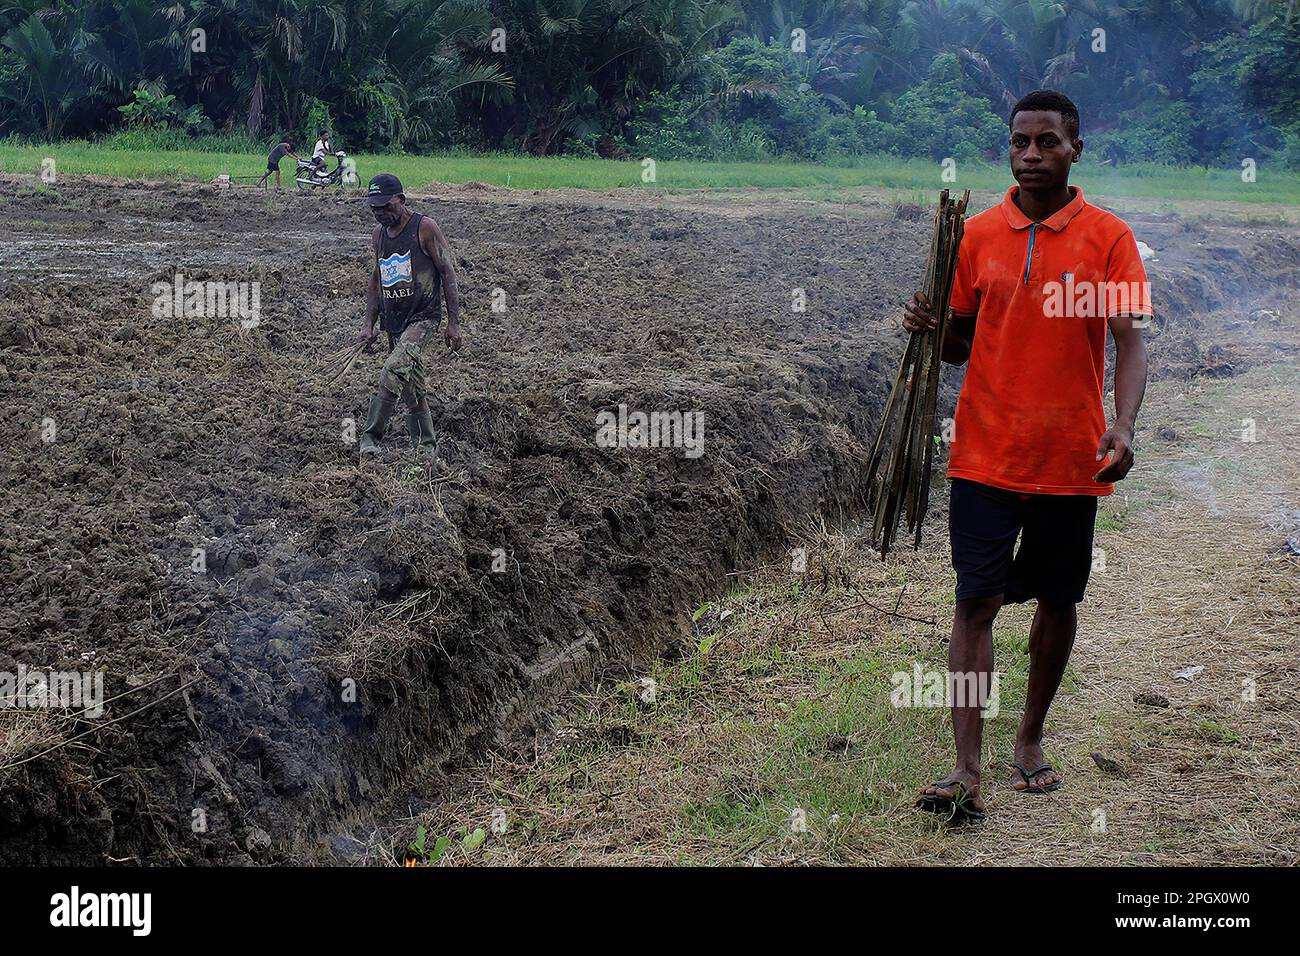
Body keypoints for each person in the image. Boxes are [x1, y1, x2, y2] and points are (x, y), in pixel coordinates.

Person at [907, 90, 1151, 821]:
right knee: (974, 600)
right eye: (1020, 142)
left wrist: (1125, 426)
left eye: (1048, 142)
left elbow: (1132, 340)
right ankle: (965, 769)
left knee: (1058, 597)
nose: (1032, 154)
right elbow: (959, 347)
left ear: (1076, 148)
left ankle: (1031, 737)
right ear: (1008, 149)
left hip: (1070, 457)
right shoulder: (976, 236)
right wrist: (929, 330)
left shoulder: (1110, 237)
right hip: (983, 453)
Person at [356, 174, 464, 454]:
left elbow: (447, 272)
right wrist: (368, 324)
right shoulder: (378, 235)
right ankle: (426, 445)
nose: (381, 213)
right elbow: (376, 281)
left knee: (393, 368)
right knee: (411, 388)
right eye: (375, 209)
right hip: (394, 320)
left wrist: (454, 323)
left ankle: (370, 437)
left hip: (423, 316)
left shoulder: (424, 228)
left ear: (401, 200)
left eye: (386, 206)